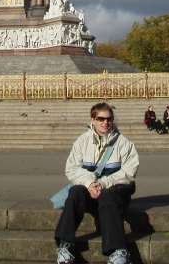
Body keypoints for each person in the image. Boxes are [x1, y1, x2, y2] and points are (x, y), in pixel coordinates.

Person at [55, 102, 139, 264]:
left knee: (108, 196)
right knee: (75, 192)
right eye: (101, 119)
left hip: (116, 193)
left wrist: (103, 184)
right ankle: (64, 246)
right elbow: (71, 168)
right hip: (91, 192)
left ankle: (118, 251)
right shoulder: (82, 141)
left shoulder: (124, 143)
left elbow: (129, 172)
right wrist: (90, 183)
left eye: (109, 119)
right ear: (92, 120)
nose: (105, 122)